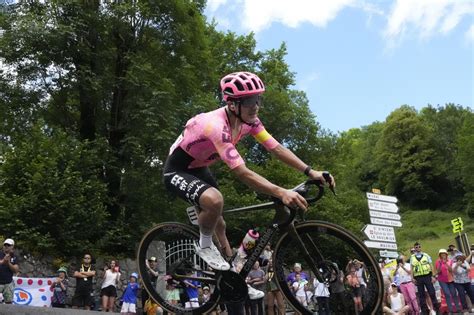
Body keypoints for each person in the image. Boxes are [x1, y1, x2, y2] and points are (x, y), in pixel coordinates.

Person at [163, 71, 335, 270]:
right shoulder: (216, 126)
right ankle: (204, 246)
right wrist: (281, 191)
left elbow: (276, 148)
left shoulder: (249, 122)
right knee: (215, 201)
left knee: (220, 222)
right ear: (232, 104)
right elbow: (242, 172)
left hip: (199, 168)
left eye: (258, 99)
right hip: (177, 170)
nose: (255, 106)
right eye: (249, 101)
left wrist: (310, 171)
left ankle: (231, 271)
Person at [409, 242, 440, 315]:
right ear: (414, 248)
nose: (418, 248)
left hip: (427, 276)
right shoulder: (412, 257)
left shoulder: (426, 255)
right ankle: (424, 311)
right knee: (421, 295)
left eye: (419, 247)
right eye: (416, 247)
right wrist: (412, 278)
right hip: (418, 278)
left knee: (432, 293)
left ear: (421, 247)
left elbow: (431, 266)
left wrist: (433, 276)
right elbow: (411, 268)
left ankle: (437, 309)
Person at [435, 248, 461, 313]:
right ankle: (451, 310)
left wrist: (446, 263)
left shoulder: (450, 260)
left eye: (444, 254)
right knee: (447, 294)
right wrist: (441, 263)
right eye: (442, 254)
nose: (443, 255)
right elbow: (438, 272)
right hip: (442, 280)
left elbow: (451, 270)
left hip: (451, 280)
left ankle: (458, 309)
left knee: (454, 293)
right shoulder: (438, 261)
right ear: (440, 255)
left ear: (446, 254)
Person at [0, 238, 19, 304]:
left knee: (8, 303)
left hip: (8, 283)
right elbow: (2, 262)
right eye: (5, 245)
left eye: (8, 245)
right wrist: (3, 261)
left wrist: (8, 262)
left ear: (12, 246)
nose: (6, 246)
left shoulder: (14, 257)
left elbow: (16, 270)